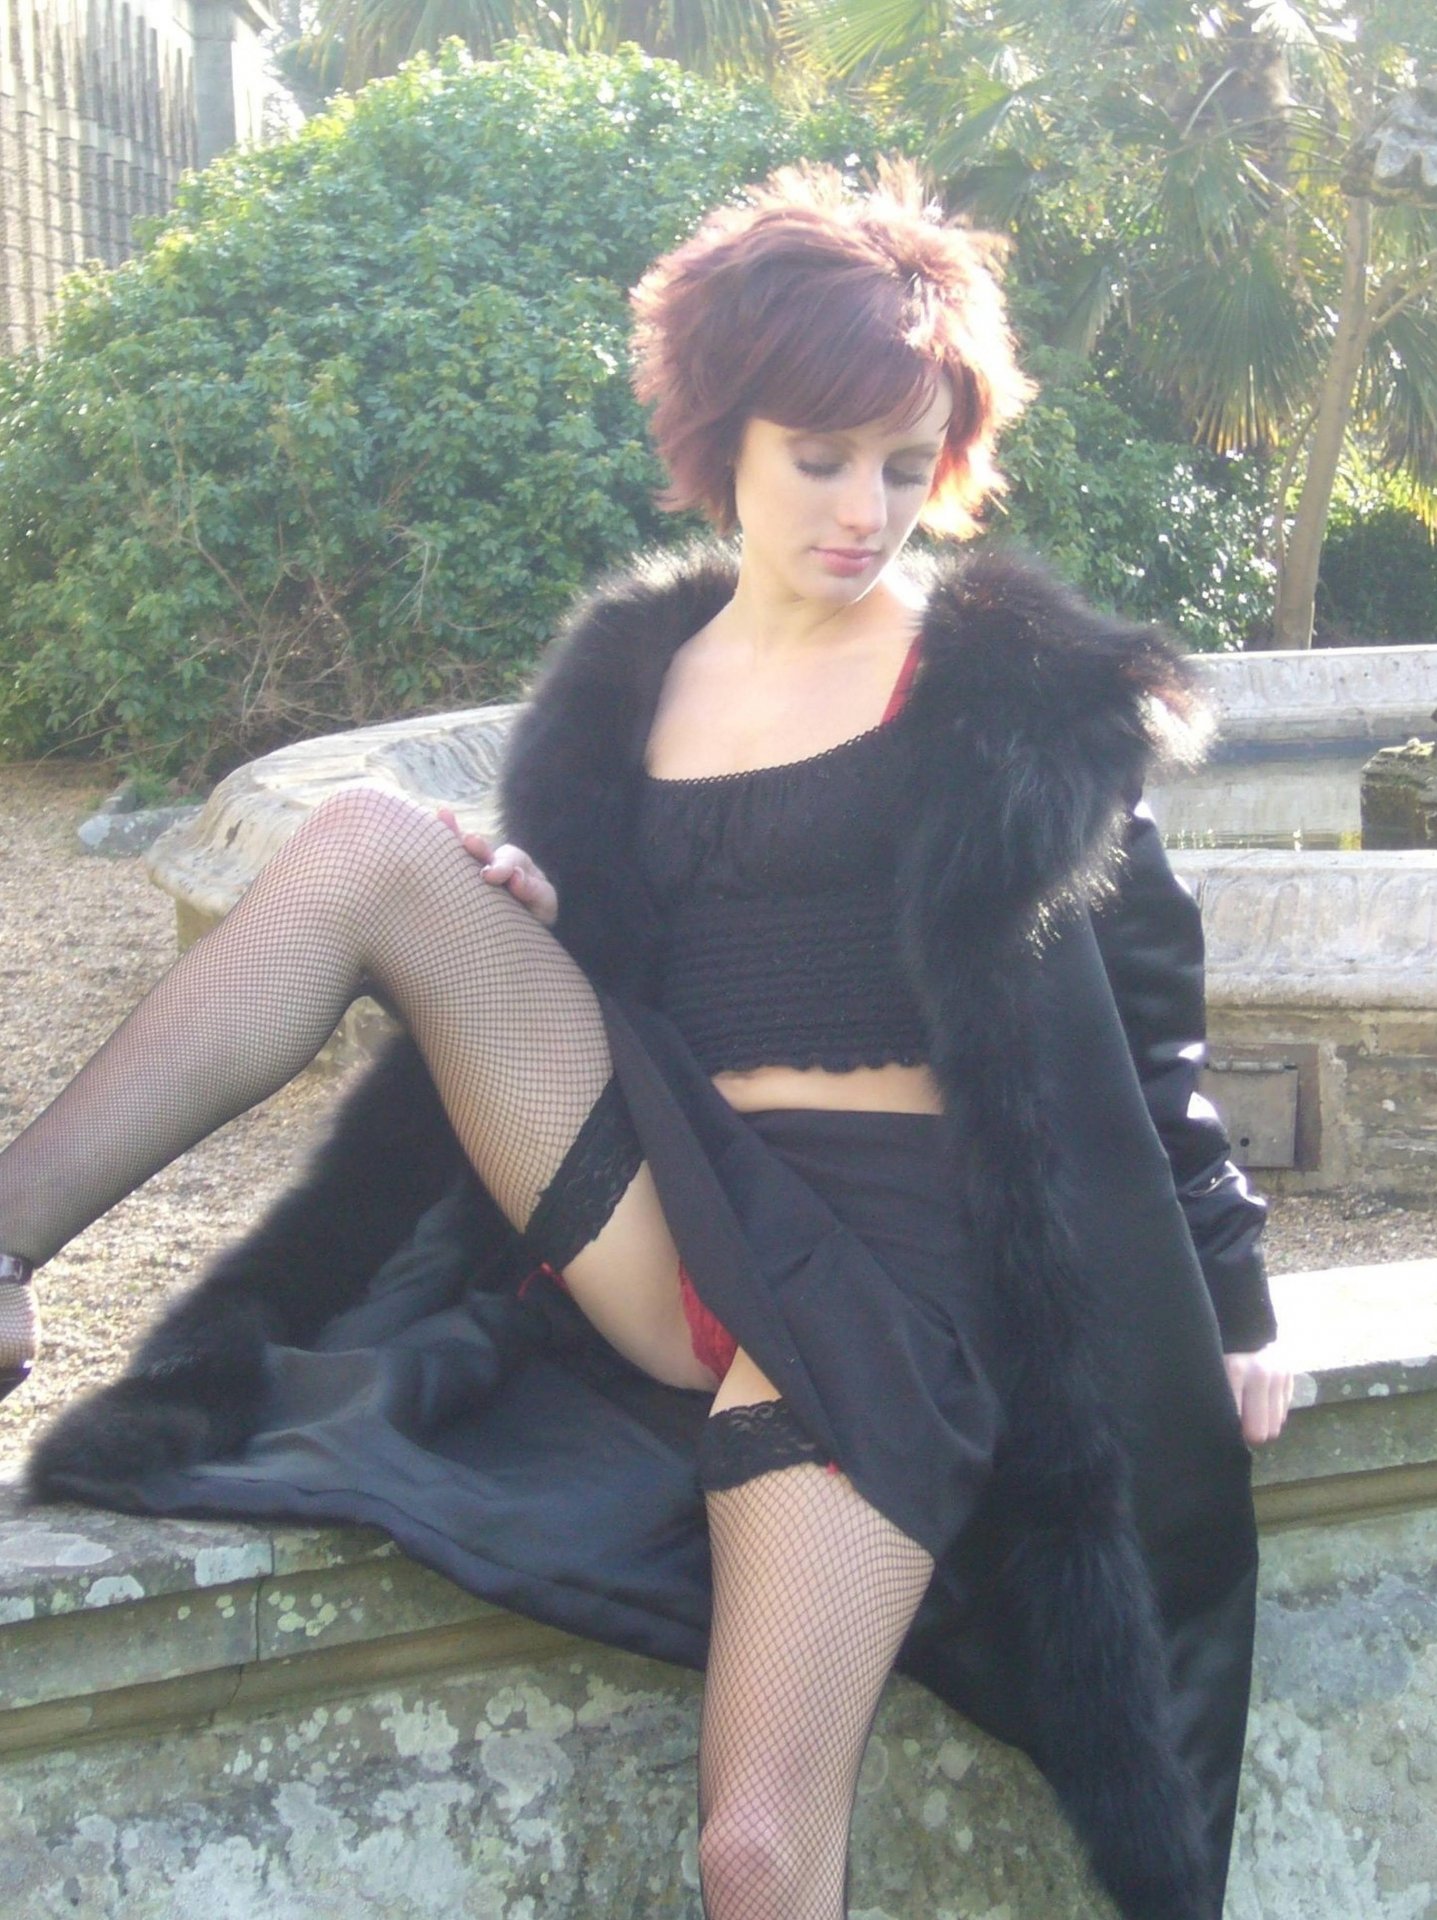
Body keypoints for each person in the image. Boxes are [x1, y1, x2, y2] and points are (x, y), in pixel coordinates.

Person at [1, 163, 1291, 1919]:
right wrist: (541, 917)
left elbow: (1143, 1014)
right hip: (675, 1202)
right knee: (374, 844)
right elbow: (629, 965)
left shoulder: (1007, 688)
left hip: (893, 1286)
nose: (864, 510)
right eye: (818, 459)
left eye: (903, 465)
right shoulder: (630, 677)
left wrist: (1232, 1293)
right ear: (722, 436)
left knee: (754, 1843)